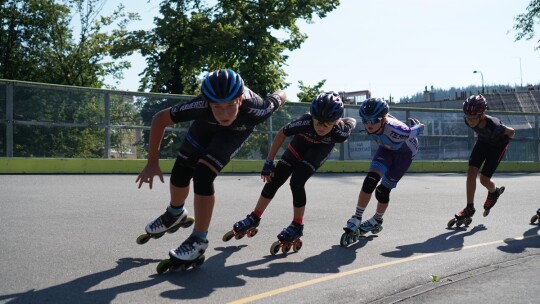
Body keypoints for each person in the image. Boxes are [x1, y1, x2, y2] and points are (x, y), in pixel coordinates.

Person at [136, 69, 286, 263]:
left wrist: (281, 93)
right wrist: (152, 162)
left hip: (235, 132)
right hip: (204, 126)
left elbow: (279, 96)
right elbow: (159, 120)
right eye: (218, 107)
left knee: (203, 174)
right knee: (182, 168)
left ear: (240, 100)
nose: (224, 113)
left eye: (230, 105)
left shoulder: (257, 108)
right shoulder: (199, 105)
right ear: (208, 103)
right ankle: (175, 213)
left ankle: (199, 239)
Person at [227, 91, 356, 252]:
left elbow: (352, 120)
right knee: (274, 179)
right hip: (301, 144)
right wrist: (269, 161)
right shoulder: (305, 122)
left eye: (327, 124)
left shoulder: (341, 132)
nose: (321, 127)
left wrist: (345, 121)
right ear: (312, 117)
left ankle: (297, 225)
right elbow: (282, 133)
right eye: (318, 122)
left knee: (297, 182)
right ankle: (255, 216)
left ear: (336, 121)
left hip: (320, 150)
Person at [342, 98, 424, 240]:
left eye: (373, 120)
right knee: (370, 181)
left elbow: (414, 131)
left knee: (382, 191)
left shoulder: (397, 130)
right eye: (365, 120)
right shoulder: (376, 122)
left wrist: (418, 126)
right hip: (386, 149)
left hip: (404, 154)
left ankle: (377, 220)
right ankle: (356, 218)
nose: (369, 124)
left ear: (383, 119)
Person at [450, 94, 514, 225]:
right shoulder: (467, 120)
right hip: (483, 142)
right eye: (468, 117)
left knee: (484, 179)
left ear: (482, 115)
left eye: (474, 118)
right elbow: (475, 125)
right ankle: (469, 208)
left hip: (498, 146)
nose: (471, 121)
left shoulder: (494, 125)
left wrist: (504, 136)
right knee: (471, 171)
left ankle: (494, 192)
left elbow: (512, 132)